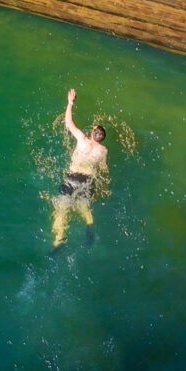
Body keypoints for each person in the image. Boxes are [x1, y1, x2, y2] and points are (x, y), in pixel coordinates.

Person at [50, 88, 108, 250]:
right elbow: (102, 170)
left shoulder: (83, 140)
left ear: (92, 133)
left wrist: (70, 103)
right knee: (84, 205)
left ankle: (59, 239)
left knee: (61, 209)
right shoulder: (103, 151)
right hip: (88, 180)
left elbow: (68, 123)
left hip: (72, 177)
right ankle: (89, 222)